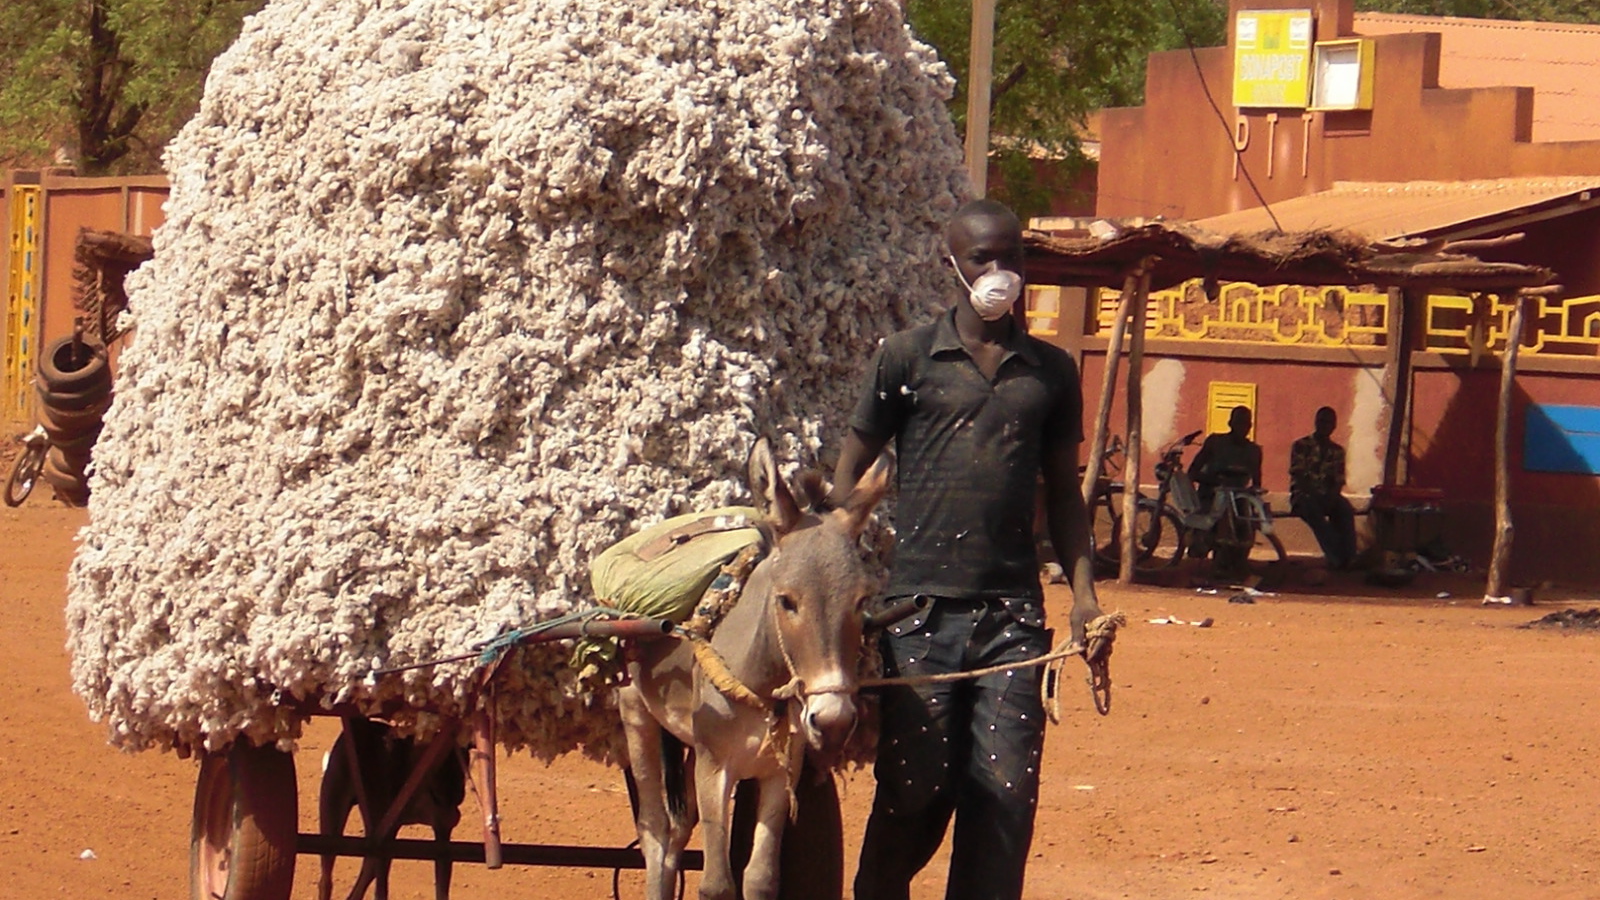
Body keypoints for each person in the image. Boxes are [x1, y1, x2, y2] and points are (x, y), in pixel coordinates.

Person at [828, 198, 1105, 900]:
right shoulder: (907, 358)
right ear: (951, 262)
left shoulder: (1050, 371)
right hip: (918, 614)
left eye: (1012, 256)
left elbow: (1064, 493)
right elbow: (851, 467)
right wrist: (832, 563)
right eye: (983, 257)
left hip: (1012, 617)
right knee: (916, 789)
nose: (999, 270)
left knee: (1005, 794)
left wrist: (1085, 597)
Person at [1289, 406, 1358, 570]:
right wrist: (1316, 496)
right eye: (1321, 421)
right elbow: (1298, 475)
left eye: (1328, 422)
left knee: (1345, 510)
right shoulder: (1301, 445)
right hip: (1303, 496)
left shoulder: (1337, 451)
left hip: (1328, 495)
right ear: (1315, 422)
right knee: (1315, 514)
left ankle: (1350, 556)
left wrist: (1331, 497)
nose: (1324, 425)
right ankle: (1337, 558)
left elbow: (1338, 480)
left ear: (1334, 425)